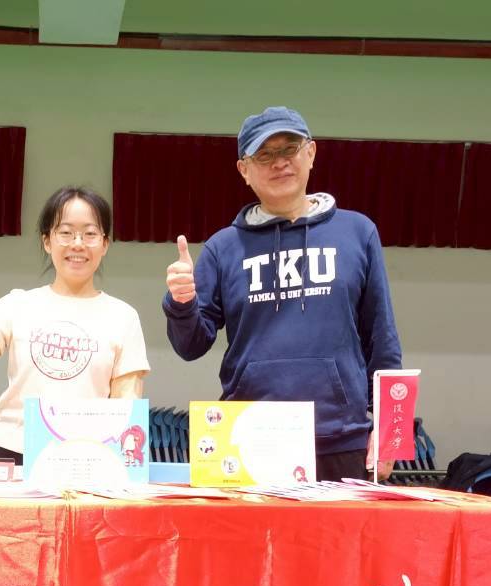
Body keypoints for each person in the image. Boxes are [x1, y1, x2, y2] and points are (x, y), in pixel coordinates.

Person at [162, 106, 403, 482]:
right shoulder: (223, 248)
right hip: (247, 440)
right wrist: (181, 302)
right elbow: (190, 345)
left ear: (311, 153)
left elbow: (382, 340)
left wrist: (389, 434)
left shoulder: (358, 233)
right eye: (264, 155)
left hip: (341, 439)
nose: (279, 163)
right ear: (244, 170)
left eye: (289, 149)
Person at [0, 185, 150, 464]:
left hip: (87, 458)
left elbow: (126, 404)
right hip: (13, 450)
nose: (77, 244)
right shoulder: (19, 304)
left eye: (90, 233)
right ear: (47, 241)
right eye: (65, 232)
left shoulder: (123, 316)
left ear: (105, 244)